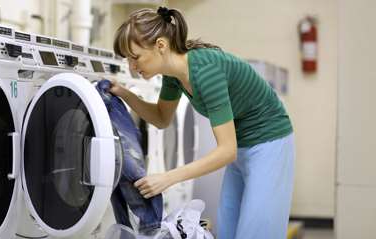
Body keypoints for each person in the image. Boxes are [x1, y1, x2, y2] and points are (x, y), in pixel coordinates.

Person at [109, 6, 295, 239]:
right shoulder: (173, 76)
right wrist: (124, 93)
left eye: (135, 57)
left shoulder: (205, 72)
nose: (132, 67)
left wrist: (167, 178)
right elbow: (161, 118)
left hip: (269, 142)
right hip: (242, 144)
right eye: (128, 59)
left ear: (161, 46)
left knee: (256, 233)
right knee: (227, 230)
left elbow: (227, 151)